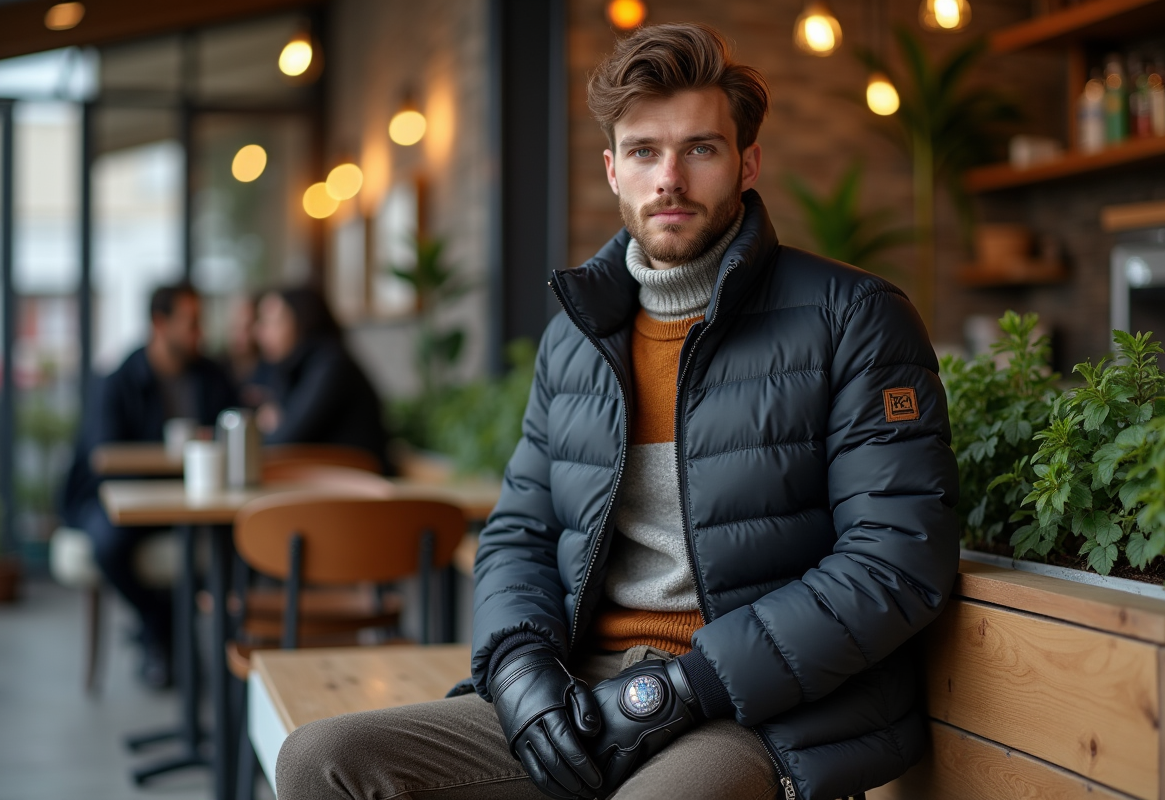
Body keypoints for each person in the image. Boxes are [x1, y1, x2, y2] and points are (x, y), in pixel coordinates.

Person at [276, 23, 958, 800]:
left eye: (700, 149)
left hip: (754, 709)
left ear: (747, 163)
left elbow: (895, 557)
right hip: (581, 690)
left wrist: (685, 686)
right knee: (321, 762)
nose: (669, 177)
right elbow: (520, 530)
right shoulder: (577, 337)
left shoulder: (855, 317)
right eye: (643, 151)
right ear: (612, 170)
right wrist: (522, 673)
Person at [60, 282, 236, 689]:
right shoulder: (119, 379)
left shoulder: (210, 376)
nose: (199, 333)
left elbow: (231, 427)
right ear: (160, 323)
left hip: (191, 502)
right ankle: (163, 627)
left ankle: (210, 650)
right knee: (108, 544)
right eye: (191, 322)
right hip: (119, 499)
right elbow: (105, 456)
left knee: (236, 541)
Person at [253, 286, 391, 473]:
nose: (260, 332)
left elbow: (284, 440)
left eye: (272, 323)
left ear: (302, 321)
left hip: (358, 488)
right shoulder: (294, 368)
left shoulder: (331, 366)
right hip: (328, 482)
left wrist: (274, 426)